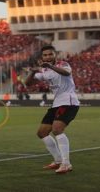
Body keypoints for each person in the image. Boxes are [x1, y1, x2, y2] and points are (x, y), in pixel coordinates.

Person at [26, 45, 79, 174]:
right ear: (42, 57)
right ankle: (58, 160)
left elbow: (66, 73)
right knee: (42, 133)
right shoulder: (45, 72)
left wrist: (49, 66)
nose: (48, 57)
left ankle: (66, 164)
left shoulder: (63, 64)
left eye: (50, 54)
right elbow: (27, 83)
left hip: (69, 101)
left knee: (57, 130)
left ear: (55, 55)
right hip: (56, 104)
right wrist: (33, 71)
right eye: (45, 55)